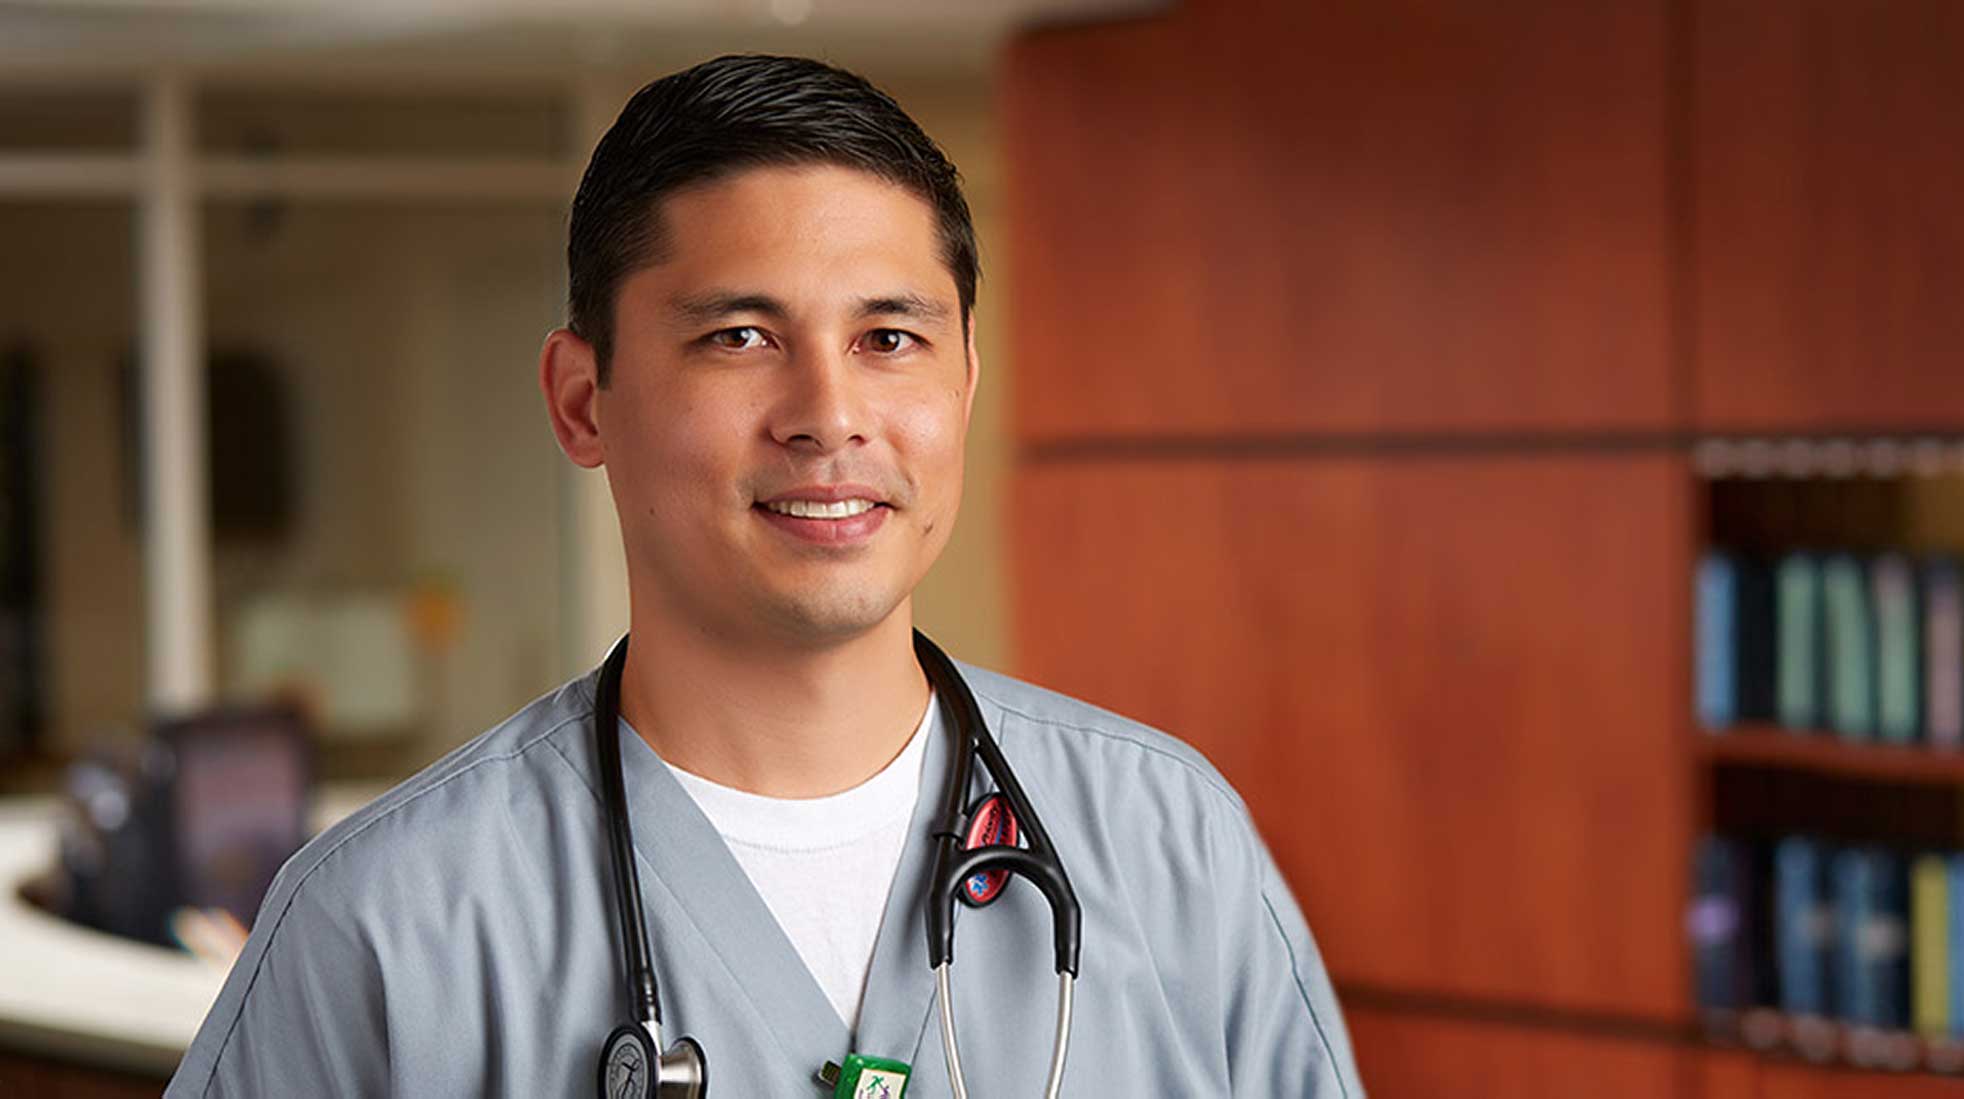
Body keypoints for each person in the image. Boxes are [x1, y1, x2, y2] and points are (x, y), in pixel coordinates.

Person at [166, 54, 1361, 1097]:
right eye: (740, 337)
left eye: (889, 339)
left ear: (964, 385)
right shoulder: (391, 922)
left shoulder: (1169, 843)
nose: (829, 416)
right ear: (584, 402)